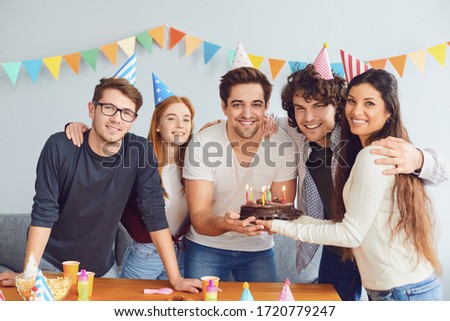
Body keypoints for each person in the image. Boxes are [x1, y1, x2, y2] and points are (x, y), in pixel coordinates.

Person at [0, 77, 200, 293]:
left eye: (126, 112)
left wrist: (177, 279)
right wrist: (29, 274)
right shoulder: (59, 147)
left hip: (101, 269)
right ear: (91, 109)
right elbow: (44, 212)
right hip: (50, 262)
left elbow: (154, 213)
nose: (116, 118)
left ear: (133, 120)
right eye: (109, 108)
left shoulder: (140, 151)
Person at [258, 68, 444, 301]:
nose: (308, 118)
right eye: (300, 109)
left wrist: (418, 158)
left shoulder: (365, 138)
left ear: (337, 107)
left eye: (318, 106)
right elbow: (264, 120)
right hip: (337, 245)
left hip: (368, 245)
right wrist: (220, 126)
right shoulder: (298, 132)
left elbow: (441, 169)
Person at [65, 75, 195, 280]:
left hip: (182, 251)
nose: (180, 125)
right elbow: (103, 143)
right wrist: (77, 126)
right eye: (171, 118)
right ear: (158, 125)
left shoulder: (195, 164)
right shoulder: (136, 155)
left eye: (186, 119)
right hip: (145, 254)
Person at [182, 66, 298, 282]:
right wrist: (226, 224)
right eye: (237, 105)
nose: (247, 114)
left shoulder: (283, 144)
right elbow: (199, 217)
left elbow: (282, 210)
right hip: (206, 246)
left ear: (266, 108)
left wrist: (272, 222)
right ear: (224, 107)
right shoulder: (203, 143)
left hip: (258, 250)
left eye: (256, 105)